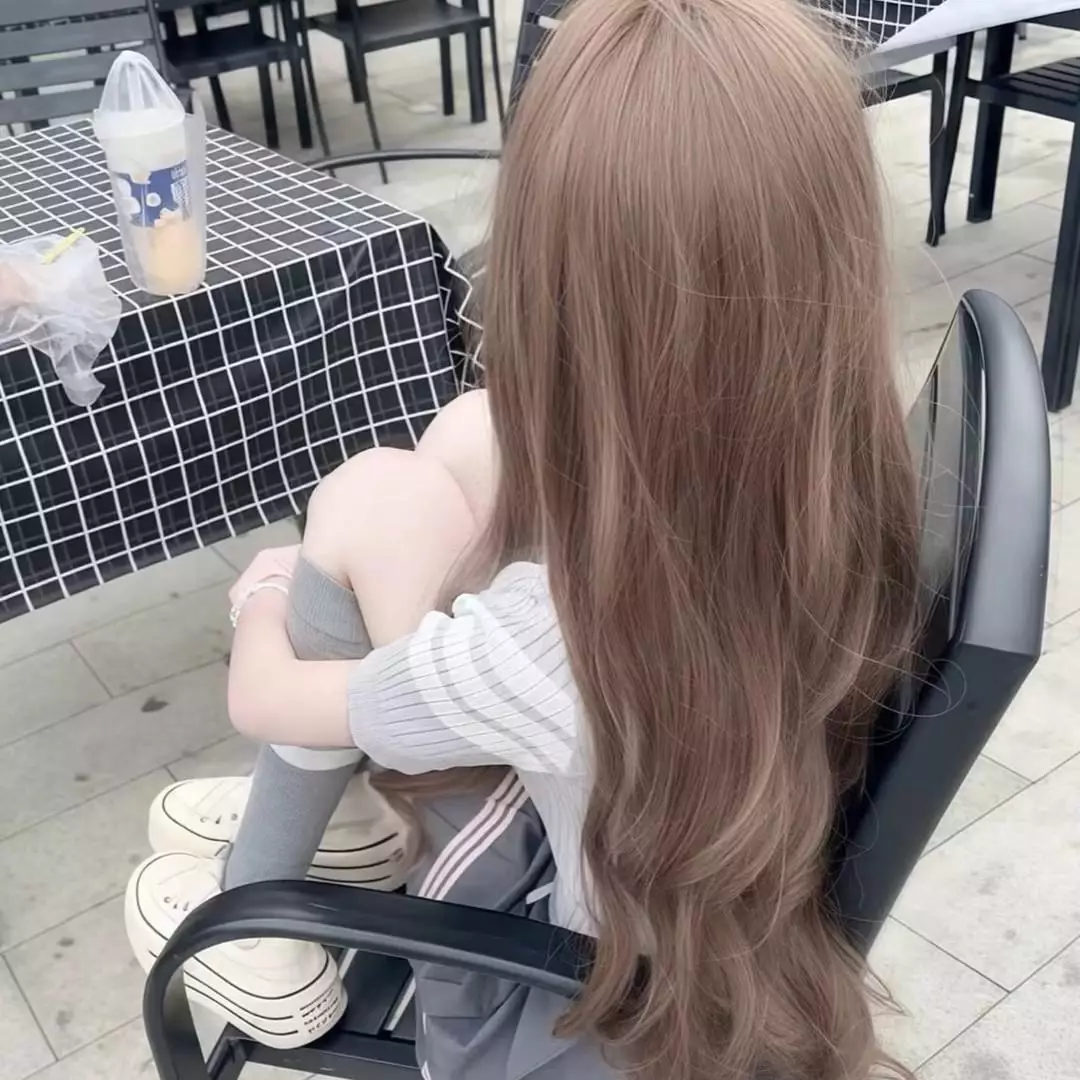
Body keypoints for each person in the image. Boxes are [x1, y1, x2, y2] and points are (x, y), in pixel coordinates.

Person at [124, 0, 923, 1077]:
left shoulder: (547, 639)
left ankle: (260, 927)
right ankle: (338, 814)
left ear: (558, 296)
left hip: (558, 1000)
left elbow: (261, 696)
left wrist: (267, 591)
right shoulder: (838, 486)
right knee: (464, 432)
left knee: (358, 501)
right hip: (671, 854)